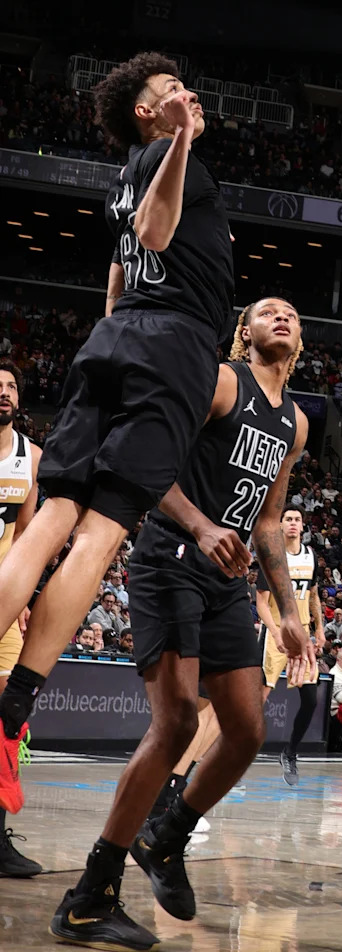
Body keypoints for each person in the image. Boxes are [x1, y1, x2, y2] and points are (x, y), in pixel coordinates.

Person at [0, 55, 234, 814]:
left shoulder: (122, 176)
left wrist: (114, 348)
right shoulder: (171, 158)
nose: (185, 95)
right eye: (171, 91)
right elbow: (156, 234)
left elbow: (118, 278)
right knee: (100, 531)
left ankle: (10, 698)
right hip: (172, 347)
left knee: (58, 513)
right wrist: (183, 141)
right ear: (146, 112)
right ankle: (21, 695)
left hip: (116, 340)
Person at [50, 297, 314, 951]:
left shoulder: (297, 424)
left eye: (291, 313)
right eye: (267, 311)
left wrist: (287, 612)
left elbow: (266, 523)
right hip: (170, 553)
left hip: (228, 580)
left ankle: (165, 841)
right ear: (244, 332)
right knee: (176, 724)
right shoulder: (224, 383)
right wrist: (199, 525)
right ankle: (89, 895)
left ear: (301, 338)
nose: (281, 316)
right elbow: (150, 461)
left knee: (248, 729)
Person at [0, 361, 41, 878]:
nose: (3, 393)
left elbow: (29, 539)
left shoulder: (30, 456)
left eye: (10, 385)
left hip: (4, 606)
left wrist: (25, 598)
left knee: (6, 721)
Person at [255, 503, 325, 788]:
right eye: (288, 519)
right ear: (280, 524)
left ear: (302, 525)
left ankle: (290, 752)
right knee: (257, 701)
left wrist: (319, 628)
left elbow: (314, 594)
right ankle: (230, 757)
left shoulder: (310, 556)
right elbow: (260, 602)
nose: (293, 523)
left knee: (310, 699)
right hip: (274, 635)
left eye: (297, 519)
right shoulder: (272, 556)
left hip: (302, 634)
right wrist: (274, 631)